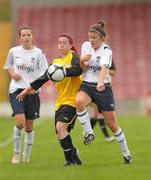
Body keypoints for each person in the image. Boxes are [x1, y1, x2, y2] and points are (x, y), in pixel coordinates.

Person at [16, 34, 82, 166]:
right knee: (60, 133)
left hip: (73, 100)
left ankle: (70, 161)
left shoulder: (74, 57)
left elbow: (78, 70)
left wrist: (63, 71)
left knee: (60, 128)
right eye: (59, 43)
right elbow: (43, 78)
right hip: (60, 102)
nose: (61, 45)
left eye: (64, 43)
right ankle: (74, 154)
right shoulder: (55, 63)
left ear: (70, 45)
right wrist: (27, 90)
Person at [75, 20, 132, 164]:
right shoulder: (85, 46)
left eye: (94, 38)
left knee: (112, 124)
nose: (91, 40)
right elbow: (83, 69)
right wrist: (82, 60)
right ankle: (89, 132)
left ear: (101, 38)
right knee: (79, 101)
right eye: (89, 37)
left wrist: (101, 82)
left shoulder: (107, 50)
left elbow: (105, 68)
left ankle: (126, 154)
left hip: (103, 88)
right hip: (87, 85)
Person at [4, 26, 48, 164]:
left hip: (32, 92)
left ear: (32, 36)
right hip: (16, 90)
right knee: (20, 123)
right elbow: (8, 66)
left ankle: (26, 155)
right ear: (20, 37)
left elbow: (45, 73)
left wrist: (36, 87)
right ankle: (16, 154)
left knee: (29, 127)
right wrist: (13, 74)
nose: (26, 37)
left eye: (28, 35)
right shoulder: (13, 51)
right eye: (23, 35)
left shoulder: (39, 53)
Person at [90, 61, 116, 143]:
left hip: (105, 89)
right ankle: (107, 137)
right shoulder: (94, 59)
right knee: (99, 114)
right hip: (95, 88)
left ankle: (88, 132)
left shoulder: (109, 59)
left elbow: (113, 72)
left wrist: (104, 70)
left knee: (96, 115)